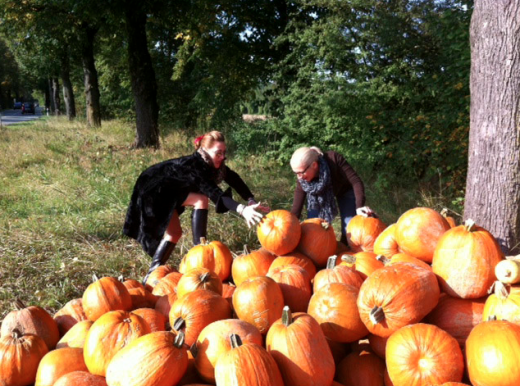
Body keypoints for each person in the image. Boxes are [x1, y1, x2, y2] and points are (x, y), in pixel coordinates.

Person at [123, 131, 269, 284]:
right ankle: (196, 252)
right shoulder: (196, 167)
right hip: (152, 191)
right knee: (196, 205)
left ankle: (153, 274)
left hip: (167, 190)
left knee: (177, 229)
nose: (222, 157)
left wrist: (250, 199)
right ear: (205, 150)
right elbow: (216, 194)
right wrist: (242, 209)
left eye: (224, 153)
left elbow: (234, 179)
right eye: (218, 153)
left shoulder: (215, 166)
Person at [289, 146, 373, 244]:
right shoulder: (303, 177)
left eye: (301, 173)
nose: (299, 178)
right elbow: (299, 196)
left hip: (344, 190)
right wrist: (291, 222)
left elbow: (356, 181)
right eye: (296, 173)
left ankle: (345, 249)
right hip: (318, 197)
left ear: (314, 165)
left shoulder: (334, 159)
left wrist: (359, 206)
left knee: (349, 231)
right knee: (313, 231)